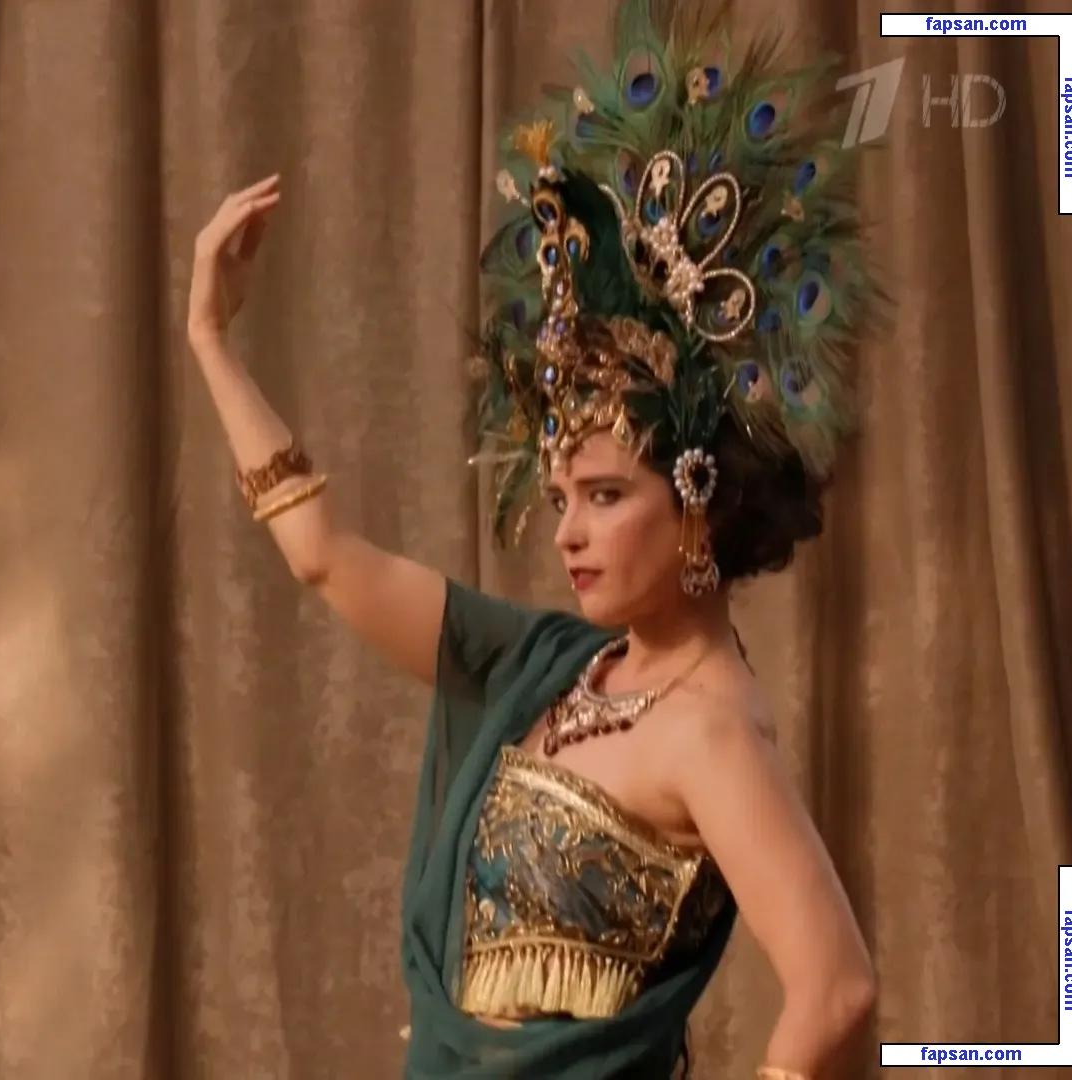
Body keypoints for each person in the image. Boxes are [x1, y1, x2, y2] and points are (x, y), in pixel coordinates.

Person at [181, 2, 879, 1077]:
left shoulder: (709, 735)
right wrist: (212, 343)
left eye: (604, 495)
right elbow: (322, 555)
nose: (569, 533)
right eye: (559, 499)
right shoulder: (543, 664)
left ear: (698, 494)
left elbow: (836, 988)